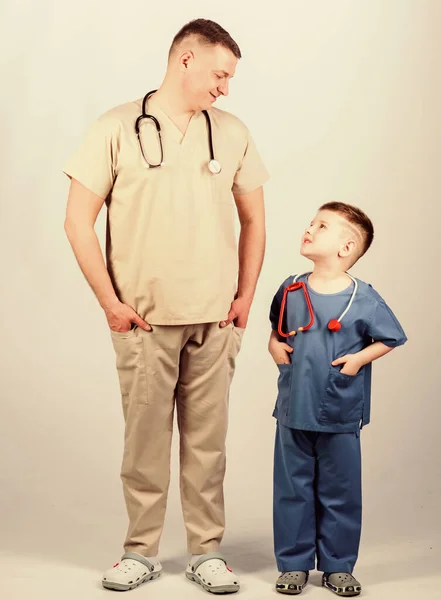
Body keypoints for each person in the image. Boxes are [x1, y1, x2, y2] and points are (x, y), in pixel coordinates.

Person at [63, 18, 269, 594]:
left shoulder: (231, 132)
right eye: (219, 74)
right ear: (186, 60)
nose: (225, 88)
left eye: (229, 78)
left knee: (209, 443)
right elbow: (78, 221)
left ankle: (206, 551)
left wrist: (245, 295)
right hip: (143, 317)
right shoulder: (115, 126)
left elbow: (254, 219)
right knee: (144, 441)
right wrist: (109, 302)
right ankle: (140, 550)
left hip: (215, 316)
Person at [268, 202, 407, 596]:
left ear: (346, 248)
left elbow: (391, 337)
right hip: (294, 408)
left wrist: (359, 359)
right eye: (311, 222)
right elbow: (277, 328)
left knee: (340, 489)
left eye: (322, 226)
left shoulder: (363, 298)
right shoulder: (291, 288)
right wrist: (273, 344)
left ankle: (338, 566)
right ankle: (293, 564)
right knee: (291, 488)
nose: (309, 228)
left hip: (339, 409)